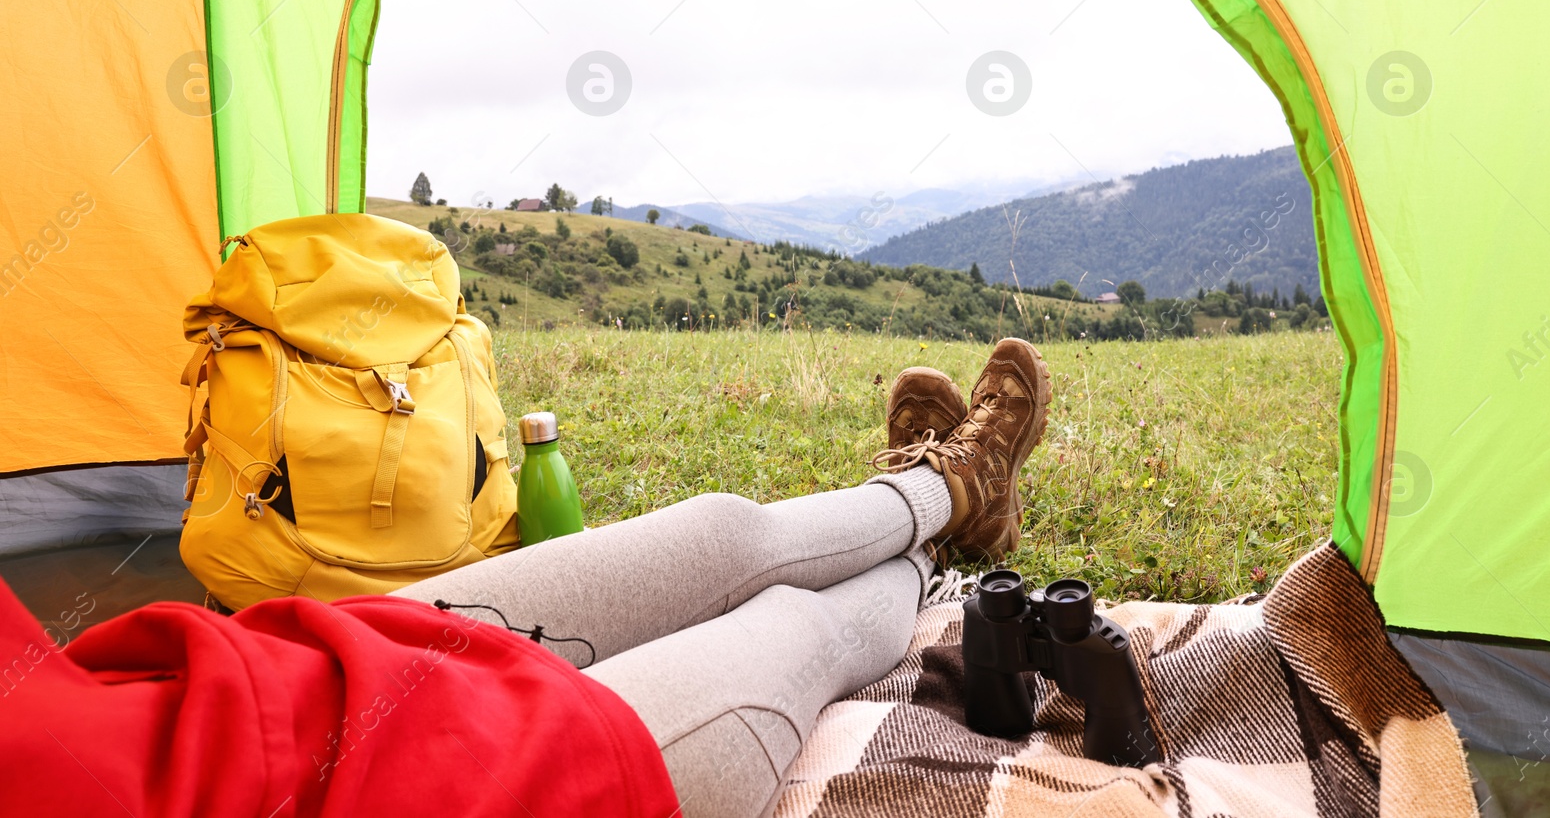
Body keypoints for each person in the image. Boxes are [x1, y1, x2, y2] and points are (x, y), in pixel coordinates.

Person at [0, 339, 1051, 818]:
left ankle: (948, 492)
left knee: (720, 534)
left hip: (249, 690)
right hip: (479, 788)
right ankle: (933, 545)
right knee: (793, 623)